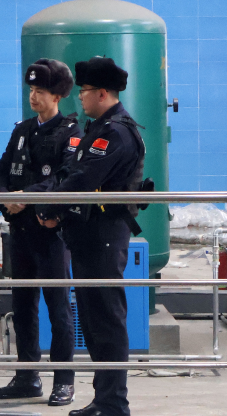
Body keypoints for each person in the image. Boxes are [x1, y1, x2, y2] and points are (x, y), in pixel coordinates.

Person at [31, 57, 146, 416]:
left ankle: (114, 402)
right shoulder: (97, 128)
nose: (79, 97)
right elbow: (71, 171)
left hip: (104, 236)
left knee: (107, 319)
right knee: (94, 321)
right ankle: (104, 399)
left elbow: (84, 179)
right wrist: (55, 208)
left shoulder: (116, 133)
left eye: (84, 91)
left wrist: (51, 205)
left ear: (102, 93)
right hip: (87, 235)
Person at [0, 59, 82, 406]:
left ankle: (64, 380)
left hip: (51, 234)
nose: (33, 96)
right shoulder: (22, 130)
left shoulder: (71, 133)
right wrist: (5, 198)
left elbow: (64, 178)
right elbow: (1, 171)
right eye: (31, 90)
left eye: (40, 91)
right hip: (20, 232)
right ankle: (27, 376)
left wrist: (25, 197)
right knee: (23, 306)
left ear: (57, 96)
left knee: (58, 308)